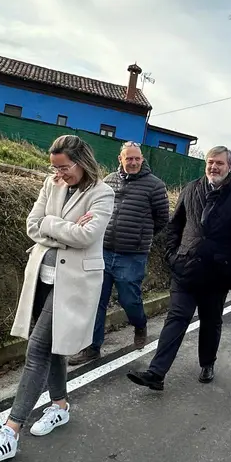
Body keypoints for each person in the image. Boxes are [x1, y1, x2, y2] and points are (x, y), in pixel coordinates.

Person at [0, 135, 115, 462]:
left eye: (64, 167)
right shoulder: (51, 185)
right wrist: (61, 227)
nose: (58, 173)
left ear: (81, 161)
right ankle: (61, 405)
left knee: (37, 349)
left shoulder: (103, 193)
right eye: (55, 167)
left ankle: (10, 432)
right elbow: (32, 226)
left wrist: (53, 227)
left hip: (74, 283)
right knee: (53, 347)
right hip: (42, 278)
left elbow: (87, 236)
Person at [126, 146, 231, 390]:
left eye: (219, 163)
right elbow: (175, 226)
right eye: (210, 162)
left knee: (210, 321)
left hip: (218, 274)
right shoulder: (190, 189)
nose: (214, 167)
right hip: (184, 269)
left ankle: (207, 362)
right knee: (176, 319)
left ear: (230, 167)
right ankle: (157, 373)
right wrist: (172, 255)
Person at [68, 141, 169, 364]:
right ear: (120, 159)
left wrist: (142, 237)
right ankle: (92, 348)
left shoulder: (155, 186)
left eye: (137, 158)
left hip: (131, 256)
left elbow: (162, 220)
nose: (133, 162)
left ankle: (140, 325)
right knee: (96, 300)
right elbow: (97, 209)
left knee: (129, 300)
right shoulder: (108, 181)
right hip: (102, 251)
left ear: (142, 159)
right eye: (128, 158)